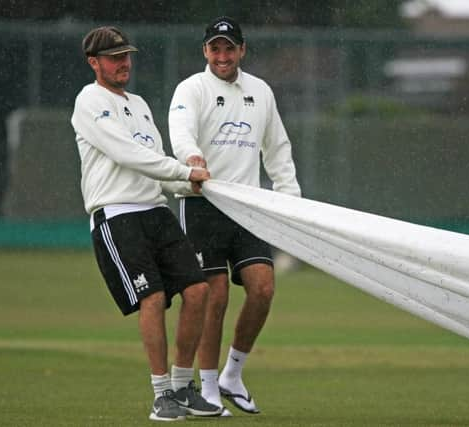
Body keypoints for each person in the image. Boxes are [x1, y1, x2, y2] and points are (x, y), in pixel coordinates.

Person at [71, 26, 223, 422]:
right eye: (114, 57)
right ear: (94, 63)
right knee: (152, 298)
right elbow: (127, 154)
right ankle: (161, 396)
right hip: (116, 214)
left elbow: (154, 162)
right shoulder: (89, 101)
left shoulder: (138, 103)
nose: (124, 64)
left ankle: (182, 386)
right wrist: (183, 172)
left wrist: (192, 179)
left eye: (127, 56)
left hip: (156, 211)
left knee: (197, 291)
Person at [168, 16, 301, 416]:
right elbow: (180, 130)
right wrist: (191, 157)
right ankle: (207, 387)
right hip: (203, 202)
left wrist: (289, 197)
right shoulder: (191, 88)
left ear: (242, 50)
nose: (222, 56)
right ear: (205, 52)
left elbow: (277, 148)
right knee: (216, 294)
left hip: (248, 207)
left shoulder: (260, 91)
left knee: (263, 289)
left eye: (229, 48)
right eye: (215, 48)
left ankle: (232, 374)